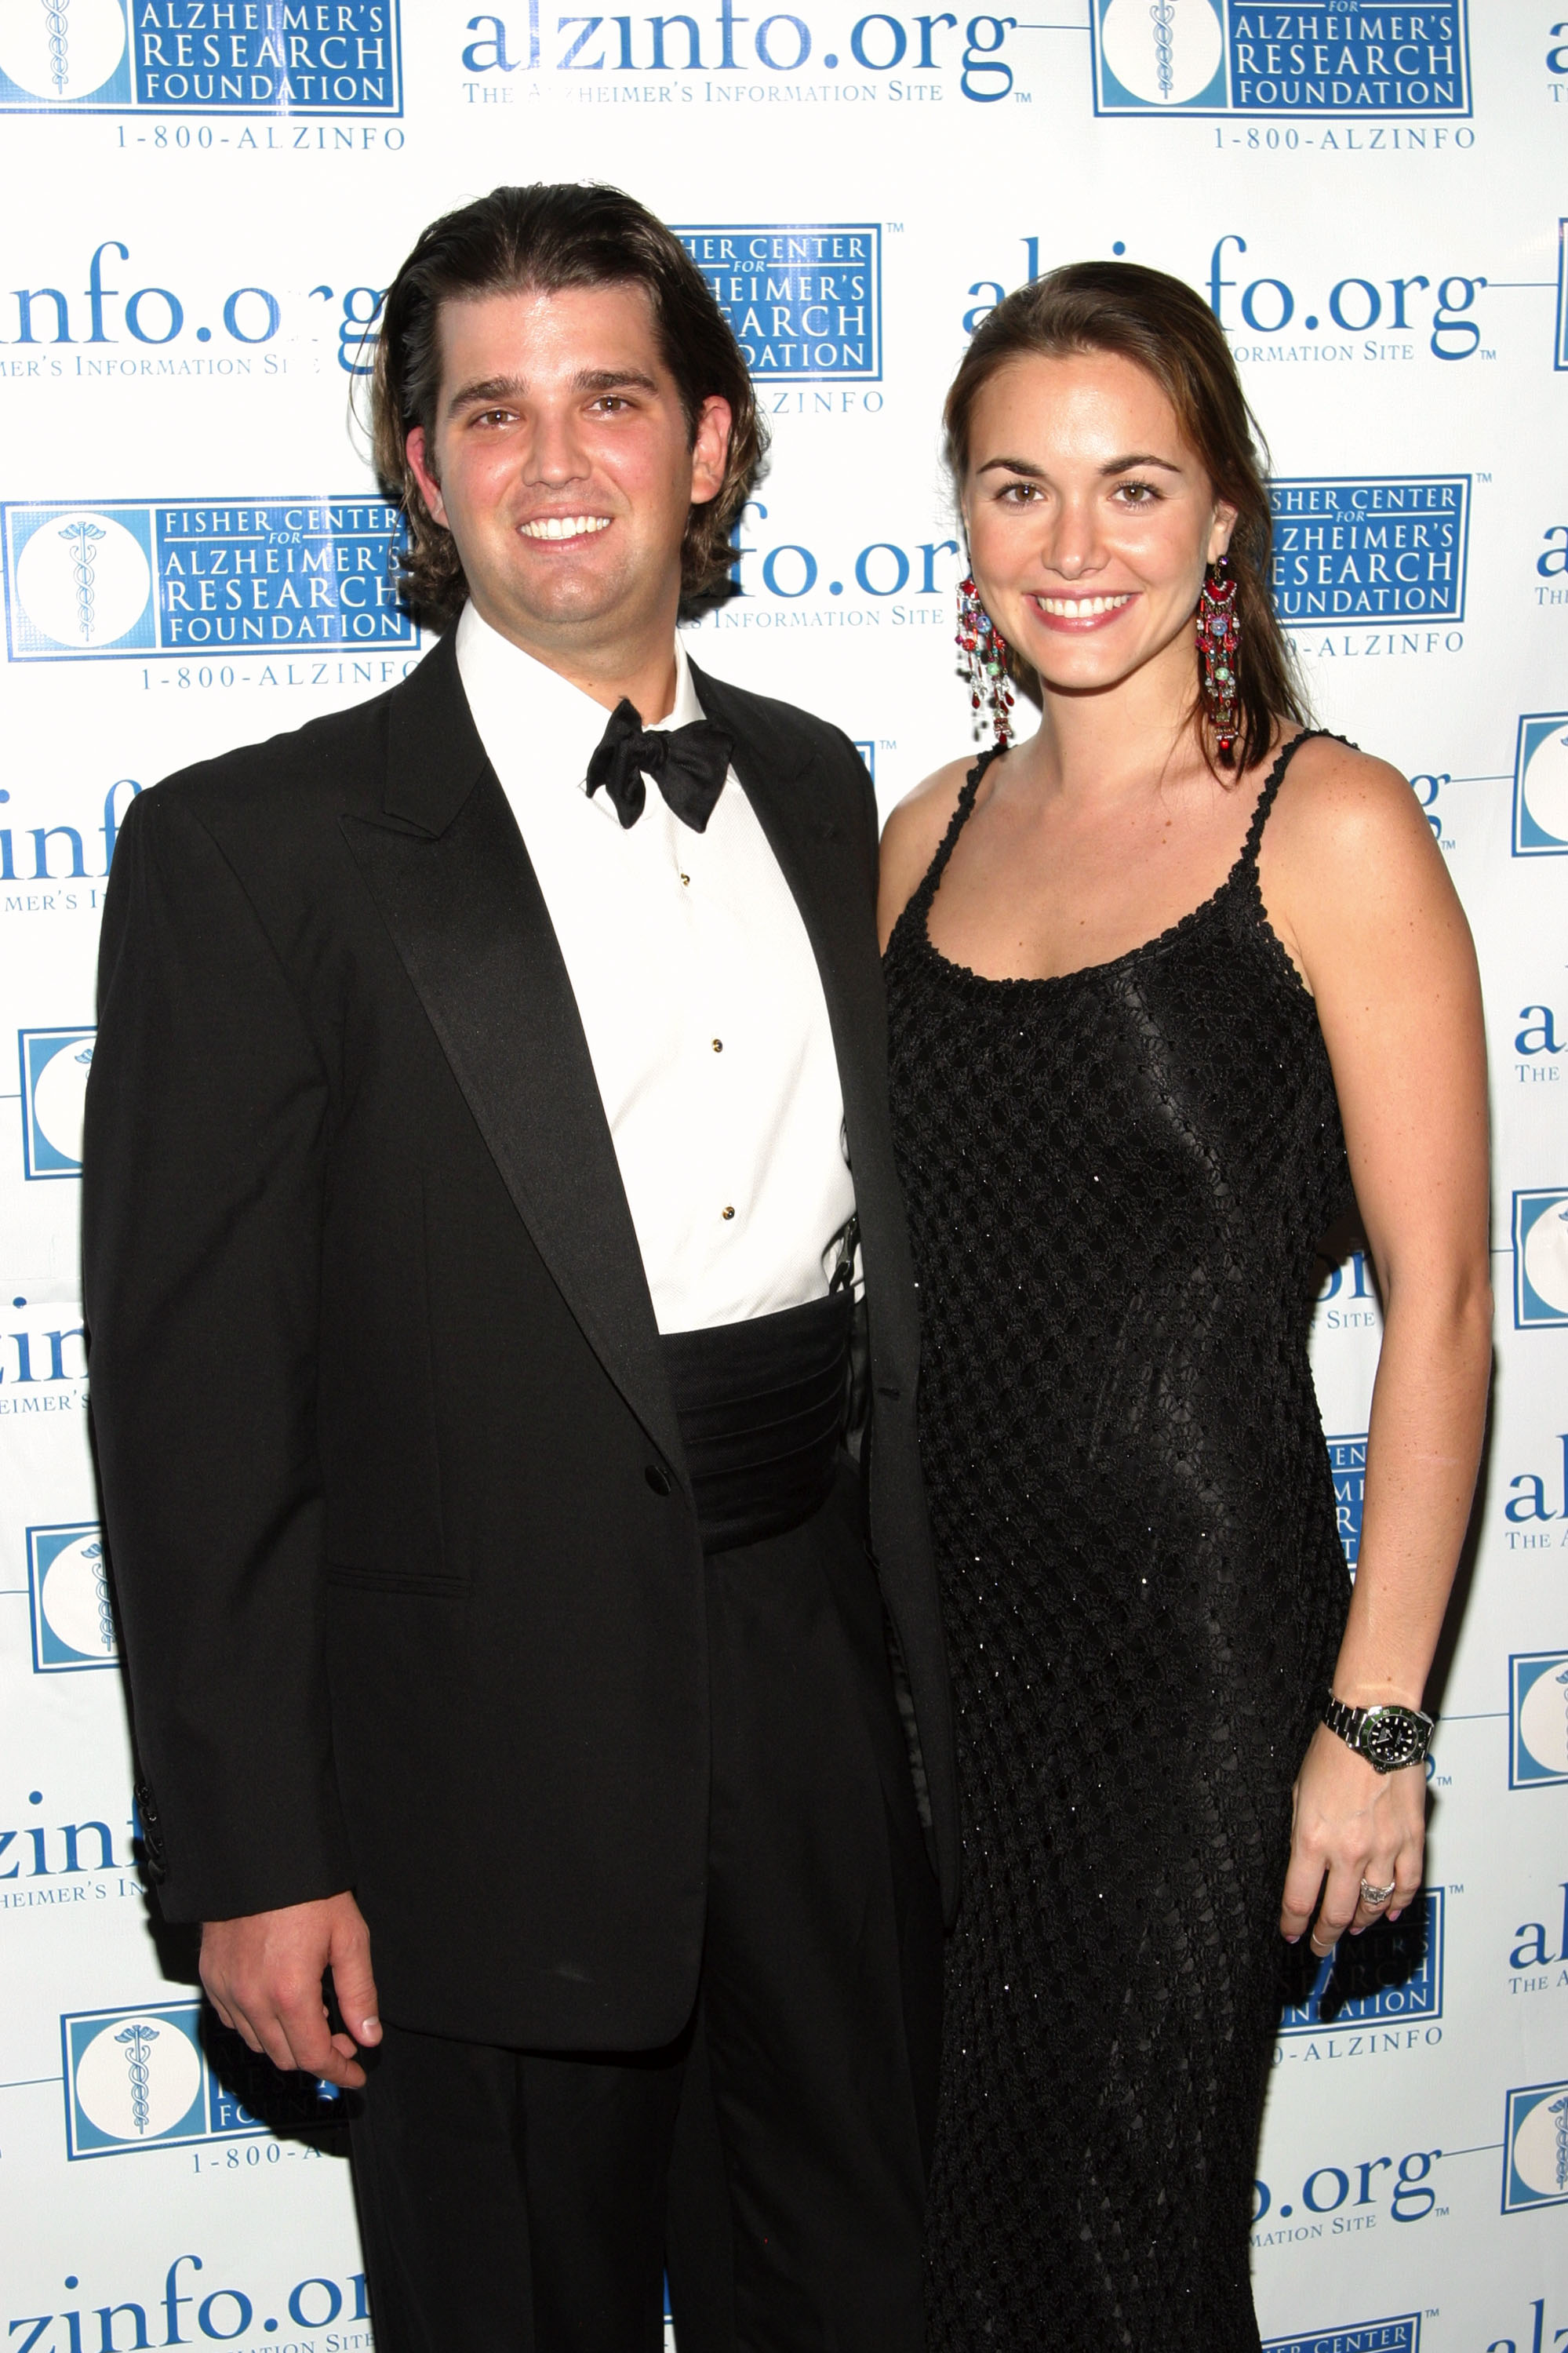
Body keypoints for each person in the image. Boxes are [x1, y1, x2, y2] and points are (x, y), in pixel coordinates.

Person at [82, 182, 954, 2353]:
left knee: (851, 2293)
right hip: (466, 1772)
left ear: (715, 444)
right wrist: (250, 1855)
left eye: (613, 402)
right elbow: (194, 1414)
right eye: (493, 414)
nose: (557, 464)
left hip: (815, 1715)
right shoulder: (250, 851)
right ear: (421, 468)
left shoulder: (829, 792)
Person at [877, 262, 1491, 2351]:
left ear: (1224, 512)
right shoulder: (920, 837)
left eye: (1135, 489)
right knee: (966, 2257)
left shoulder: (1327, 827)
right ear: (961, 520)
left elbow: (1448, 1313)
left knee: (1126, 2252)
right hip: (935, 1661)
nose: (1075, 549)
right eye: (1017, 489)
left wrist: (1373, 1725)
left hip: (1198, 1664)